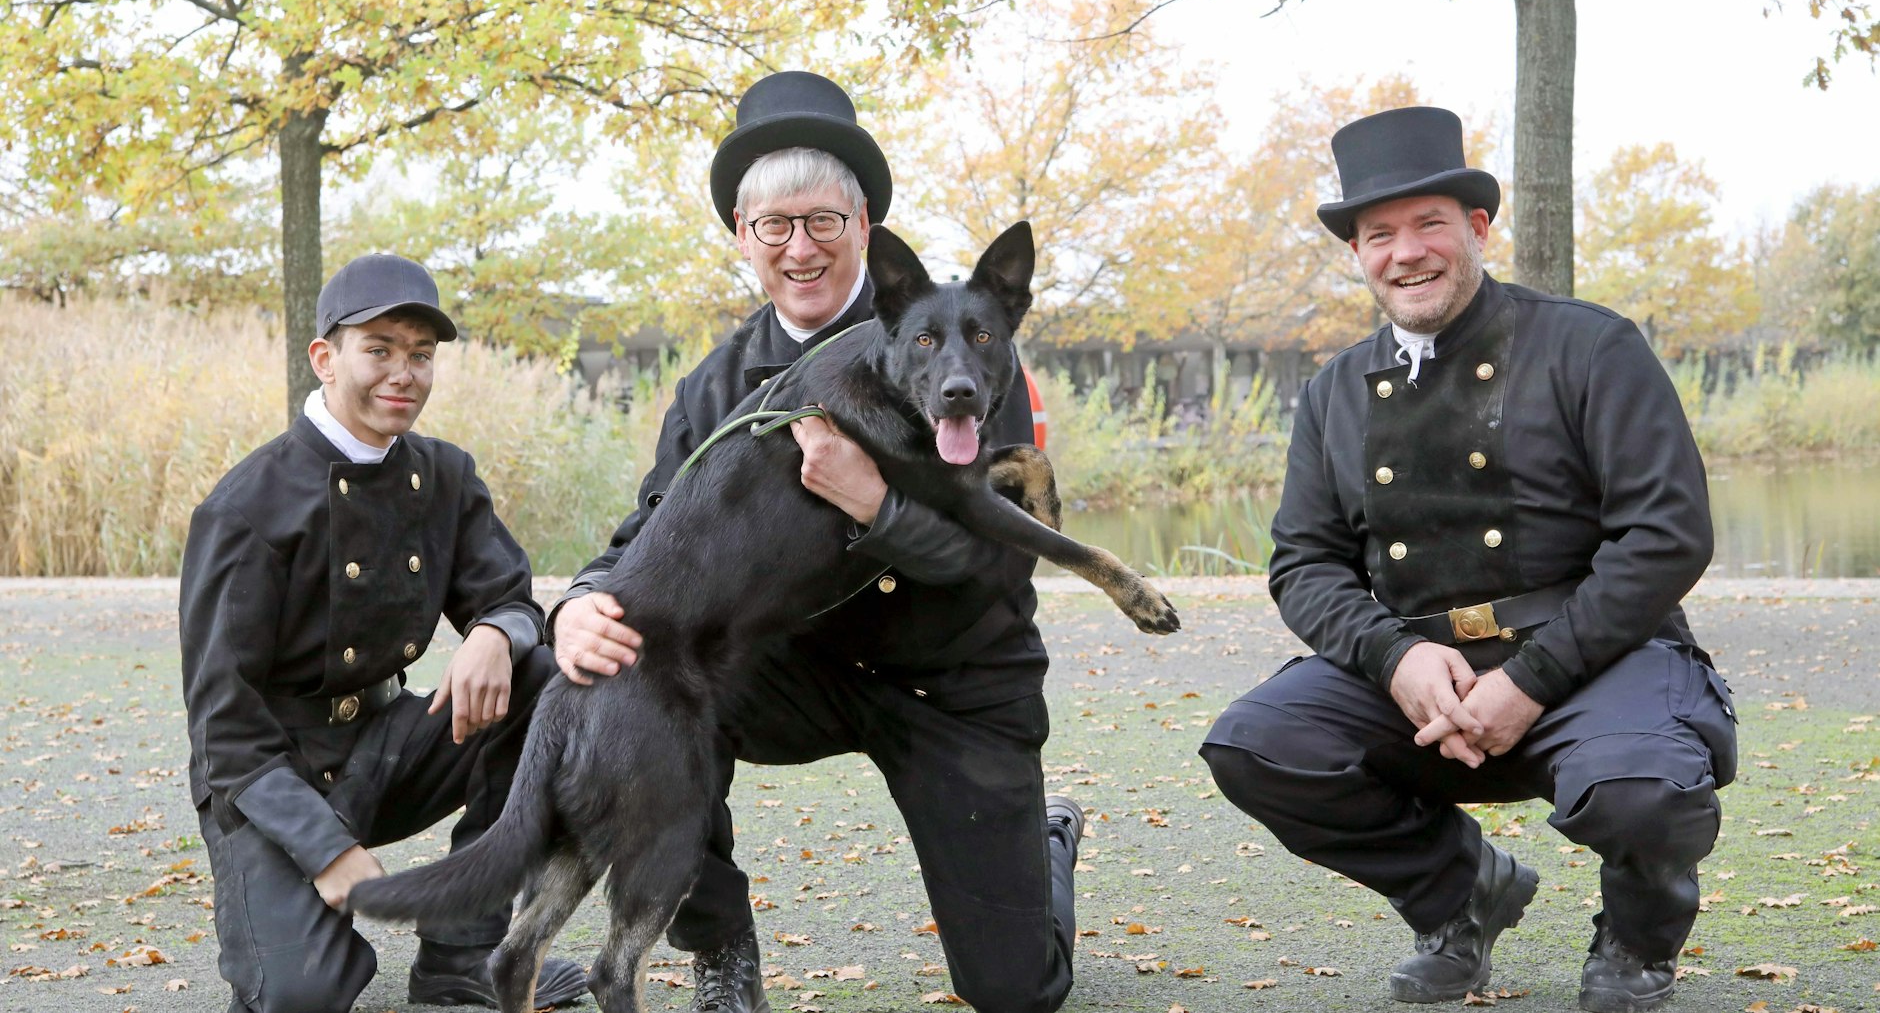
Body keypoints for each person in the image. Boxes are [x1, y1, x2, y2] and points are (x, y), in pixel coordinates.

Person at [550, 71, 1082, 1013]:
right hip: (786, 673)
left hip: (953, 681)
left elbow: (1000, 567)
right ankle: (720, 950)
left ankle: (1040, 849)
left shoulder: (970, 356)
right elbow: (651, 530)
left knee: (1015, 994)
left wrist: (876, 505)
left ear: (866, 229)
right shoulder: (716, 386)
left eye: (824, 222)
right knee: (648, 675)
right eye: (774, 226)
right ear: (743, 239)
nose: (801, 249)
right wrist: (581, 600)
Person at [1199, 107, 1737, 1013]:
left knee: (1646, 792)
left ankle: (1637, 941)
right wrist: (1393, 655)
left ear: (1478, 229)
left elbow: (1667, 534)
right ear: (1360, 253)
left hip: (1591, 662)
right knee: (1259, 745)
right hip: (1423, 678)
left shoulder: (1591, 346)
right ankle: (1461, 895)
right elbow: (1304, 564)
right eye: (1379, 235)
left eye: (1429, 225)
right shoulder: (1333, 392)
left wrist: (1533, 676)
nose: (1406, 253)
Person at [179, 253, 590, 1012]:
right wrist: (328, 851)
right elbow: (225, 730)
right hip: (271, 778)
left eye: (421, 355)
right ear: (325, 358)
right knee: (303, 995)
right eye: (380, 350)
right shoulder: (246, 508)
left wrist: (496, 633)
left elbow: (509, 595)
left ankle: (463, 959)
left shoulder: (444, 475)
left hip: (386, 744)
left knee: (546, 684)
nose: (404, 373)